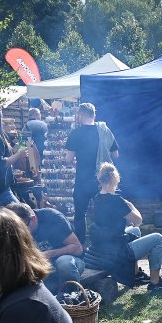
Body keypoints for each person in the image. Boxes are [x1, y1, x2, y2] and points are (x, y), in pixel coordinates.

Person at [86, 163, 162, 291]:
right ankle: (155, 282)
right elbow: (138, 220)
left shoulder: (97, 198)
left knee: (135, 231)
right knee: (158, 238)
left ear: (100, 179)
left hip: (103, 245)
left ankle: (136, 274)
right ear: (114, 179)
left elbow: (134, 226)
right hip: (116, 251)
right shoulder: (117, 201)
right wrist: (130, 205)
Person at [65, 102, 119, 245]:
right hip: (101, 179)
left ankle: (81, 246)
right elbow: (115, 154)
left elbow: (68, 158)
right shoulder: (105, 130)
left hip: (82, 180)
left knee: (80, 214)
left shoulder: (75, 133)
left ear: (80, 115)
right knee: (103, 213)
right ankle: (103, 245)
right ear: (94, 115)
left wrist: (76, 162)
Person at [7, 202, 85, 293]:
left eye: (24, 227)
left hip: (72, 263)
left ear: (33, 218)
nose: (21, 232)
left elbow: (78, 248)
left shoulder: (52, 218)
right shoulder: (15, 229)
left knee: (64, 263)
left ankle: (72, 300)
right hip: (44, 268)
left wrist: (50, 253)